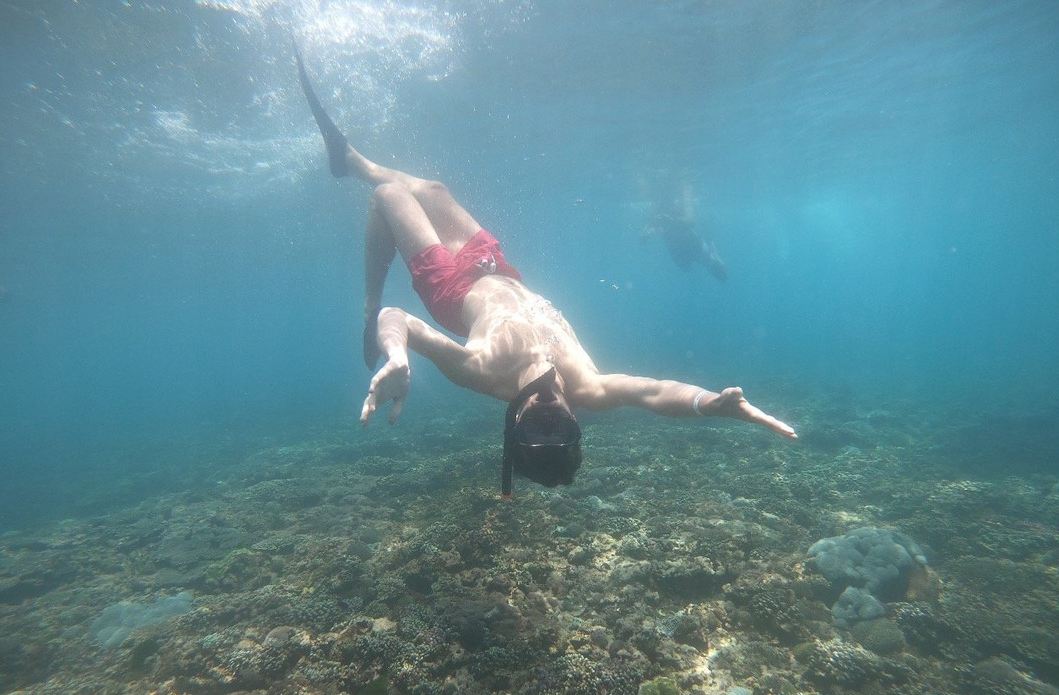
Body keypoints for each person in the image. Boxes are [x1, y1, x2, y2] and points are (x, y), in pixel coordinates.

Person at [296, 50, 797, 497]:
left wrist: (397, 350)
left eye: (537, 425)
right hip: (496, 268)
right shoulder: (587, 387)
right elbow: (653, 392)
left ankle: (360, 258)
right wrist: (708, 405)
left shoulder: (483, 369)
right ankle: (352, 161)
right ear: (578, 423)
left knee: (389, 198)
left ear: (514, 423)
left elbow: (398, 317)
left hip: (449, 287)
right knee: (435, 190)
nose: (548, 410)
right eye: (563, 428)